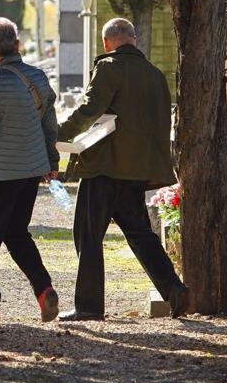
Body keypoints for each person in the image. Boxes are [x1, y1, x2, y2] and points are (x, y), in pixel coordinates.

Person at [56, 17, 189, 321]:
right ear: (134, 40)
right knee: (140, 234)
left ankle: (88, 307)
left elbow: (90, 109)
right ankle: (173, 289)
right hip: (137, 171)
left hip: (104, 166)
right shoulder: (155, 75)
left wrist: (58, 134)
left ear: (106, 43)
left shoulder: (108, 67)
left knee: (88, 235)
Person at [0, 17, 61, 324]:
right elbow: (49, 126)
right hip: (30, 169)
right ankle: (44, 290)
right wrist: (51, 162)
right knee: (17, 233)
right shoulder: (39, 78)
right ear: (18, 45)